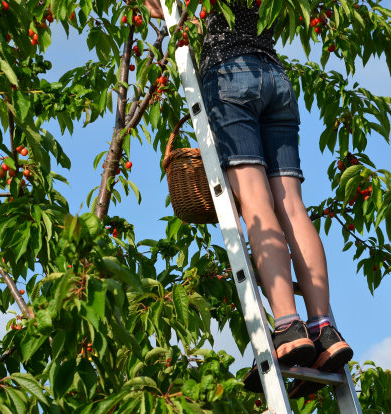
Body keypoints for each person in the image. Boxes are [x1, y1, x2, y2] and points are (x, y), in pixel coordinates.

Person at [145, 0, 353, 398]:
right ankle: (323, 328)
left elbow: (167, 8)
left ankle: (288, 325)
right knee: (293, 206)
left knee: (256, 204)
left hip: (229, 76)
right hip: (276, 77)